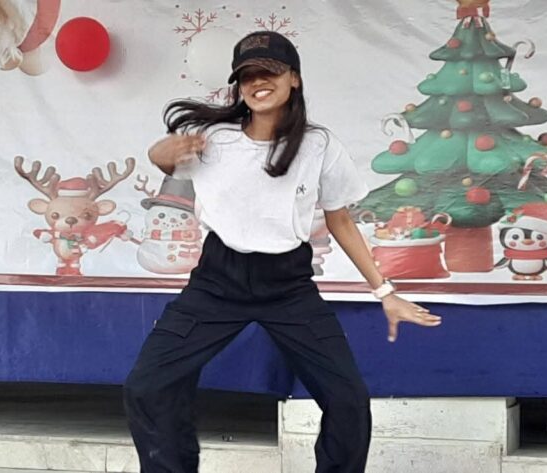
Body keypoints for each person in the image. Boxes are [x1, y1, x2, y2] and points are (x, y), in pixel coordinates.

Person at [122, 31, 442, 473]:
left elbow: (340, 220)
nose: (258, 82)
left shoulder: (319, 145)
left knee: (348, 399)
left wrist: (385, 291)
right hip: (217, 281)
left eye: (269, 71)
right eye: (247, 75)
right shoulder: (213, 138)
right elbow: (167, 159)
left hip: (288, 286)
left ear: (294, 78)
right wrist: (159, 151)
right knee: (148, 385)